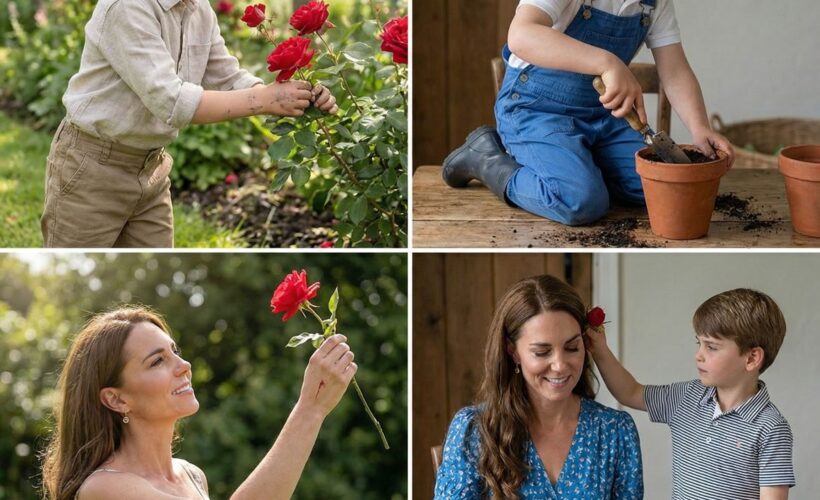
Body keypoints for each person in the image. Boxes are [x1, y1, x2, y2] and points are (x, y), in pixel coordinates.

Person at [41, 0, 338, 248]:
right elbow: (171, 101)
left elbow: (226, 77)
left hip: (151, 169)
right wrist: (265, 99)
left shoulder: (199, 9)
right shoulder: (127, 7)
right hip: (92, 168)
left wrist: (295, 96)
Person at [442, 0, 736, 225]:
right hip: (535, 110)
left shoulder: (655, 4)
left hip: (602, 115)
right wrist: (607, 62)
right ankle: (486, 159)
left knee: (659, 189)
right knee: (579, 202)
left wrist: (700, 127)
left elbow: (674, 70)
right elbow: (521, 35)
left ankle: (580, 163)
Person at [42, 306, 356, 500]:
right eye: (157, 361)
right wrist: (310, 410)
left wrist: (313, 410)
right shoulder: (104, 489)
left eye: (175, 351)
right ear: (117, 398)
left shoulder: (192, 475)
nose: (184, 365)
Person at [434, 275, 643, 499]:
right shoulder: (474, 430)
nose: (560, 365)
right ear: (512, 351)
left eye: (572, 347)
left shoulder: (615, 431)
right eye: (542, 352)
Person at [586, 288, 795, 499]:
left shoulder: (771, 428)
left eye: (711, 347)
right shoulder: (687, 397)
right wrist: (600, 350)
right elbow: (630, 392)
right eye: (699, 343)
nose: (698, 355)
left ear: (751, 358)